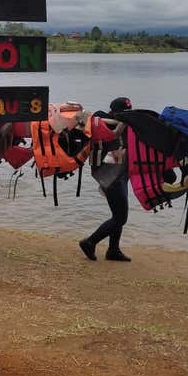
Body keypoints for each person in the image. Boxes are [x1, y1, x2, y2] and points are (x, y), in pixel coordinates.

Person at [79, 97, 133, 262]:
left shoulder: (125, 125)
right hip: (110, 175)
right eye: (124, 112)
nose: (127, 115)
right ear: (113, 112)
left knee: (117, 214)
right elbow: (93, 116)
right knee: (120, 218)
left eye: (129, 112)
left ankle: (113, 250)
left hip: (118, 172)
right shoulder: (104, 122)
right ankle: (90, 242)